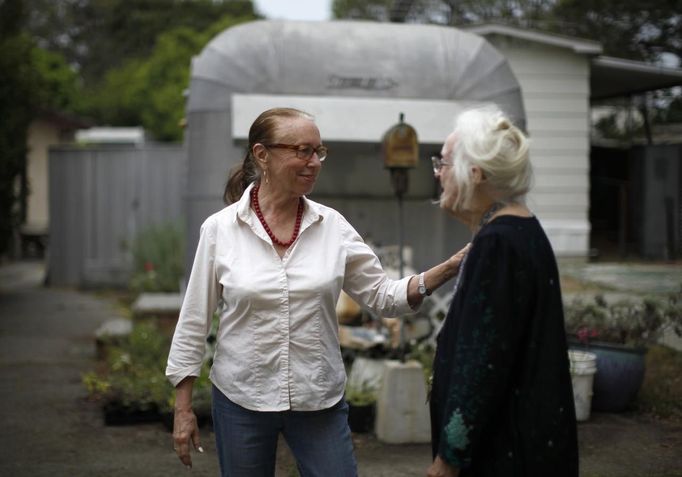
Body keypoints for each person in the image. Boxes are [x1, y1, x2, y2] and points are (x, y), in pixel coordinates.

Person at [166, 107, 468, 476]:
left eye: (318, 151)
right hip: (241, 397)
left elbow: (383, 296)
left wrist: (451, 266)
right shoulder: (220, 230)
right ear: (262, 155)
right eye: (302, 151)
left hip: (318, 399)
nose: (314, 162)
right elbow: (194, 321)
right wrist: (182, 410)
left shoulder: (333, 227)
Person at [426, 106, 579, 477]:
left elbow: (483, 364)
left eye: (443, 163)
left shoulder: (498, 244)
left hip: (503, 454)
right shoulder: (522, 229)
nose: (437, 174)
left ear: (474, 174)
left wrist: (449, 459)